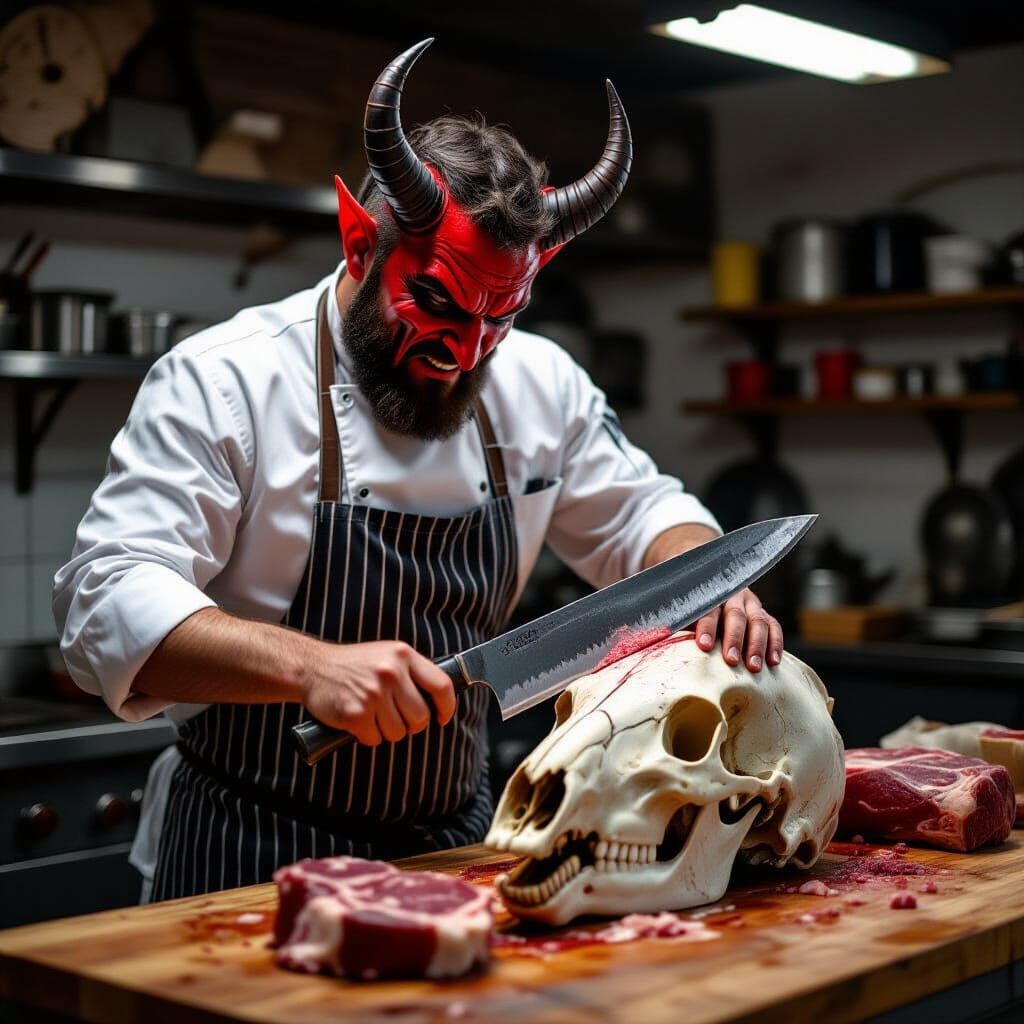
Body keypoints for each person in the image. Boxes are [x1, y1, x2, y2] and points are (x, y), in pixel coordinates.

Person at [53, 40, 782, 902]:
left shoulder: (538, 384)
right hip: (249, 853)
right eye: (436, 303)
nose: (463, 353)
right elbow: (103, 599)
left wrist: (706, 580)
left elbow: (644, 517)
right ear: (359, 242)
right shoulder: (228, 379)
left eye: (498, 318)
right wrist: (311, 668)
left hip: (453, 854)